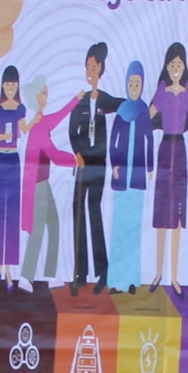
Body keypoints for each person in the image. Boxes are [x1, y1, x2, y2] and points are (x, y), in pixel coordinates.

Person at [64, 42, 120, 295]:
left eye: (94, 66)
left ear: (101, 69)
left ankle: (103, 271)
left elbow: (122, 104)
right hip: (82, 165)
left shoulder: (104, 100)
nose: (90, 70)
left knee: (94, 210)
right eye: (87, 66)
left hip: (98, 165)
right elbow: (71, 129)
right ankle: (80, 272)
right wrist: (77, 152)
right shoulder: (81, 100)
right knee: (78, 211)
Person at [20, 76, 83, 289]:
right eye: (44, 92)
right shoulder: (37, 126)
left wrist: (75, 100)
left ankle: (49, 274)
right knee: (38, 231)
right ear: (37, 97)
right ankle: (26, 276)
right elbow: (54, 155)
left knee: (54, 226)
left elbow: (59, 116)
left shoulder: (41, 120)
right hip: (37, 185)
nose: (47, 95)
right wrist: (74, 159)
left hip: (43, 183)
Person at [148, 42, 188, 293]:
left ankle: (175, 276)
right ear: (166, 67)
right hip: (165, 147)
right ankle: (158, 273)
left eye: (180, 64)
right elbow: (148, 117)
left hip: (180, 150)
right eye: (172, 64)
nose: (176, 68)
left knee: (177, 215)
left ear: (185, 66)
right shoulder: (162, 90)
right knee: (161, 215)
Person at [106, 61, 153, 294]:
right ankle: (116, 281)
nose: (134, 87)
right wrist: (114, 164)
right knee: (120, 230)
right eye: (131, 83)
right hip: (121, 176)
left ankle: (132, 281)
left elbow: (149, 141)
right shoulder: (121, 112)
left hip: (137, 178)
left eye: (138, 83)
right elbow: (113, 141)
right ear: (126, 84)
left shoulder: (144, 112)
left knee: (134, 230)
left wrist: (151, 167)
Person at [0, 65, 29, 286]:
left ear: (17, 86)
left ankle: (10, 269)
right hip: (0, 159)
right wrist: (2, 134)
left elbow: (25, 128)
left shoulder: (20, 108)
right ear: (3, 85)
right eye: (7, 84)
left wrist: (37, 115)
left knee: (12, 214)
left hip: (13, 160)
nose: (10, 87)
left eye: (14, 84)